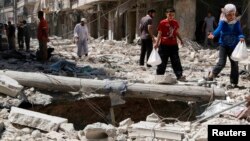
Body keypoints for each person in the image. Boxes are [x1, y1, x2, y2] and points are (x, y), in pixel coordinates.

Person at [207, 4, 245, 88]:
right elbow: (218, 29)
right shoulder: (223, 21)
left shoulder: (236, 22)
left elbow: (239, 32)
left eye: (233, 14)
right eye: (229, 15)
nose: (231, 16)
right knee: (221, 63)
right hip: (223, 45)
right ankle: (212, 74)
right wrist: (213, 34)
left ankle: (234, 82)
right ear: (225, 14)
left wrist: (241, 37)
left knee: (234, 64)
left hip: (234, 46)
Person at [154, 8, 185, 81]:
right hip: (164, 45)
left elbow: (176, 32)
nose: (171, 16)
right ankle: (159, 76)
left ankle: (179, 75)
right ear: (166, 14)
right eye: (169, 14)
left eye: (173, 15)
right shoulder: (162, 23)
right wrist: (157, 43)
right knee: (162, 61)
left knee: (176, 61)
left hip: (174, 45)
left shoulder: (175, 22)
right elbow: (159, 33)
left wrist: (181, 40)